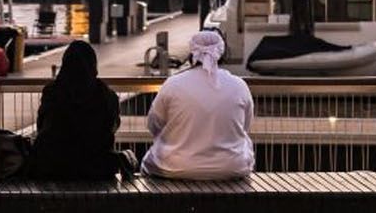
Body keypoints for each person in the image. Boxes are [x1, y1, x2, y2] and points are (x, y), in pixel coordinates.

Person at [141, 30, 255, 179]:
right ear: (222, 53)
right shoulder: (239, 85)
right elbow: (245, 126)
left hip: (175, 166)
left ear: (192, 53)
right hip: (232, 166)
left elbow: (154, 124)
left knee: (148, 162)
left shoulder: (173, 84)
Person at [28, 40, 125, 180]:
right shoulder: (106, 95)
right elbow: (113, 126)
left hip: (52, 167)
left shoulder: (52, 91)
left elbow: (41, 124)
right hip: (96, 168)